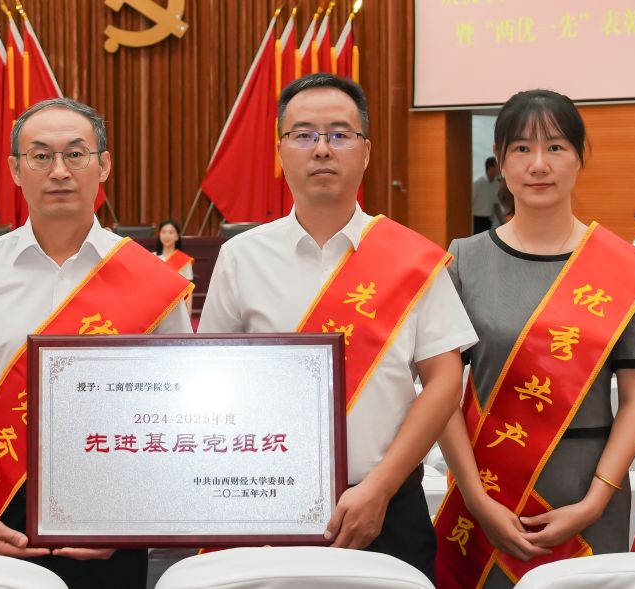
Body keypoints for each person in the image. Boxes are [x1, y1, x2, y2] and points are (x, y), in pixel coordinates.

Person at [199, 74, 476, 578]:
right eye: (303, 134)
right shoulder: (241, 257)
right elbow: (212, 379)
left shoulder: (413, 258)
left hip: (388, 504)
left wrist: (380, 488)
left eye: (339, 134)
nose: (322, 149)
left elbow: (444, 380)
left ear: (365, 151)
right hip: (265, 502)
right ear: (280, 151)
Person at [0, 98, 193, 589]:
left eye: (75, 153)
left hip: (114, 513)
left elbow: (179, 410)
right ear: (15, 169)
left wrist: (134, 521)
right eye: (41, 156)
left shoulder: (152, 280)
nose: (60, 170)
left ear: (103, 165)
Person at [434, 90, 635, 588]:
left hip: (589, 486)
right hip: (490, 489)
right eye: (522, 148)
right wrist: (476, 499)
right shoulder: (465, 260)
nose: (539, 164)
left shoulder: (621, 268)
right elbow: (441, 394)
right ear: (500, 161)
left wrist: (595, 502)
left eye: (556, 147)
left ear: (579, 157)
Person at [473, 157, 502, 234]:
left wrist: (503, 221)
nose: (500, 169)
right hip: (475, 220)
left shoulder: (497, 185)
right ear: (490, 167)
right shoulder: (477, 183)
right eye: (498, 166)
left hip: (488, 221)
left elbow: (496, 205)